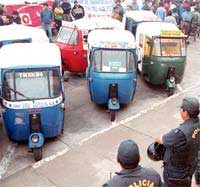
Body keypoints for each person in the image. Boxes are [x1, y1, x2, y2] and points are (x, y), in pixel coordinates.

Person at [156, 97, 200, 187]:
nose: (180, 111)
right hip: (189, 167)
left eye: (181, 109)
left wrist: (160, 137)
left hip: (176, 175)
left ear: (185, 113)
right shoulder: (198, 124)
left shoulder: (180, 133)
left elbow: (161, 140)